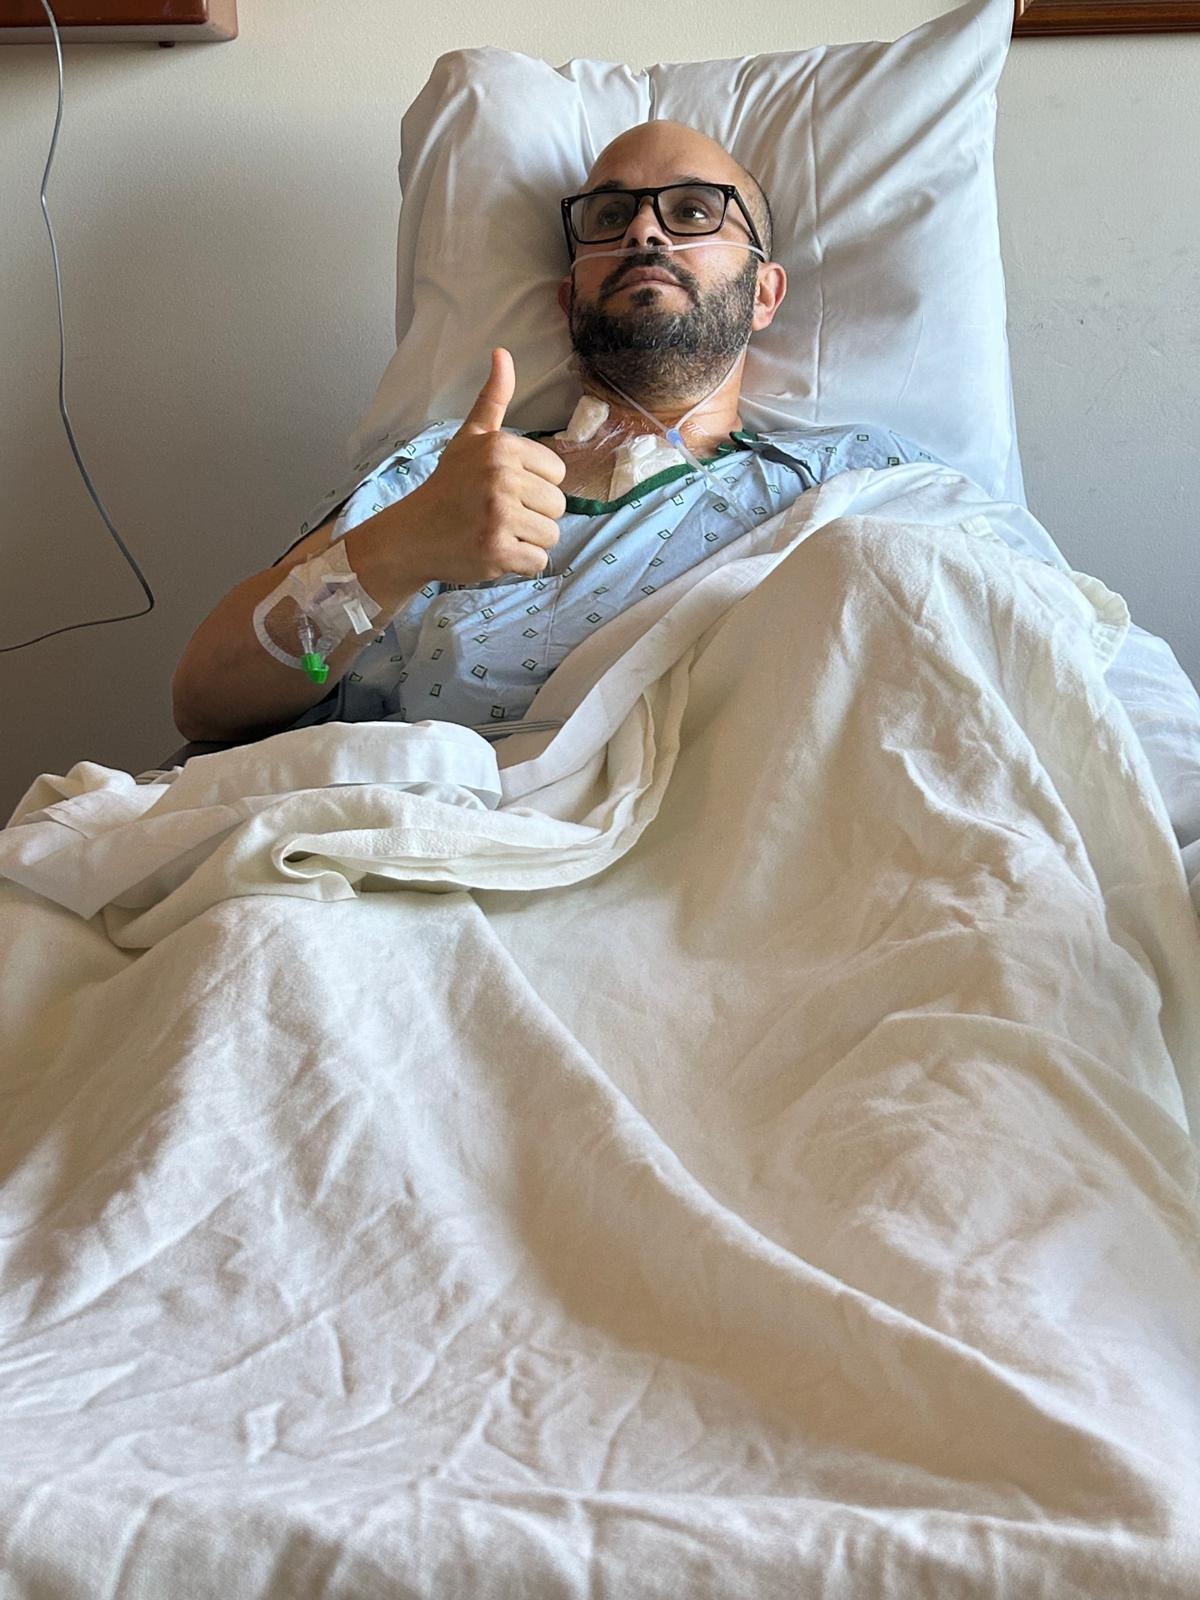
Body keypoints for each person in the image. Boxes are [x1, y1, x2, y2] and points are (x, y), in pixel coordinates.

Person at [169, 119, 941, 754]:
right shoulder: (439, 475)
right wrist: (397, 550)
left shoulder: (859, 479)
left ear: (764, 293)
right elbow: (207, 704)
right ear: (570, 299)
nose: (645, 230)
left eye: (693, 211)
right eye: (609, 218)